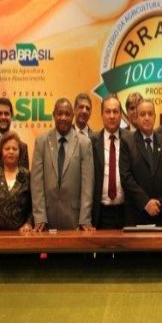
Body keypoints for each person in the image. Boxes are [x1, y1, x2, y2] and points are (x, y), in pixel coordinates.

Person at [31, 98, 95, 231]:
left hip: (75, 219)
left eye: (67, 114)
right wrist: (40, 216)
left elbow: (87, 185)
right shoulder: (41, 142)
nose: (63, 118)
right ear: (53, 115)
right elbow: (36, 182)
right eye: (59, 113)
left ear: (73, 116)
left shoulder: (84, 143)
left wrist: (85, 218)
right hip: (46, 220)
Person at [120, 98, 162, 227]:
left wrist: (159, 205)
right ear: (136, 118)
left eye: (150, 114)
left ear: (155, 117)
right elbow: (126, 177)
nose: (146, 118)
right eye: (142, 114)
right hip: (136, 215)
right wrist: (146, 203)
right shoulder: (127, 142)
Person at [92, 94, 128, 229]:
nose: (112, 116)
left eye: (115, 111)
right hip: (100, 213)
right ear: (101, 115)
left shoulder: (131, 140)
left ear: (121, 115)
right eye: (108, 111)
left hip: (126, 212)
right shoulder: (91, 141)